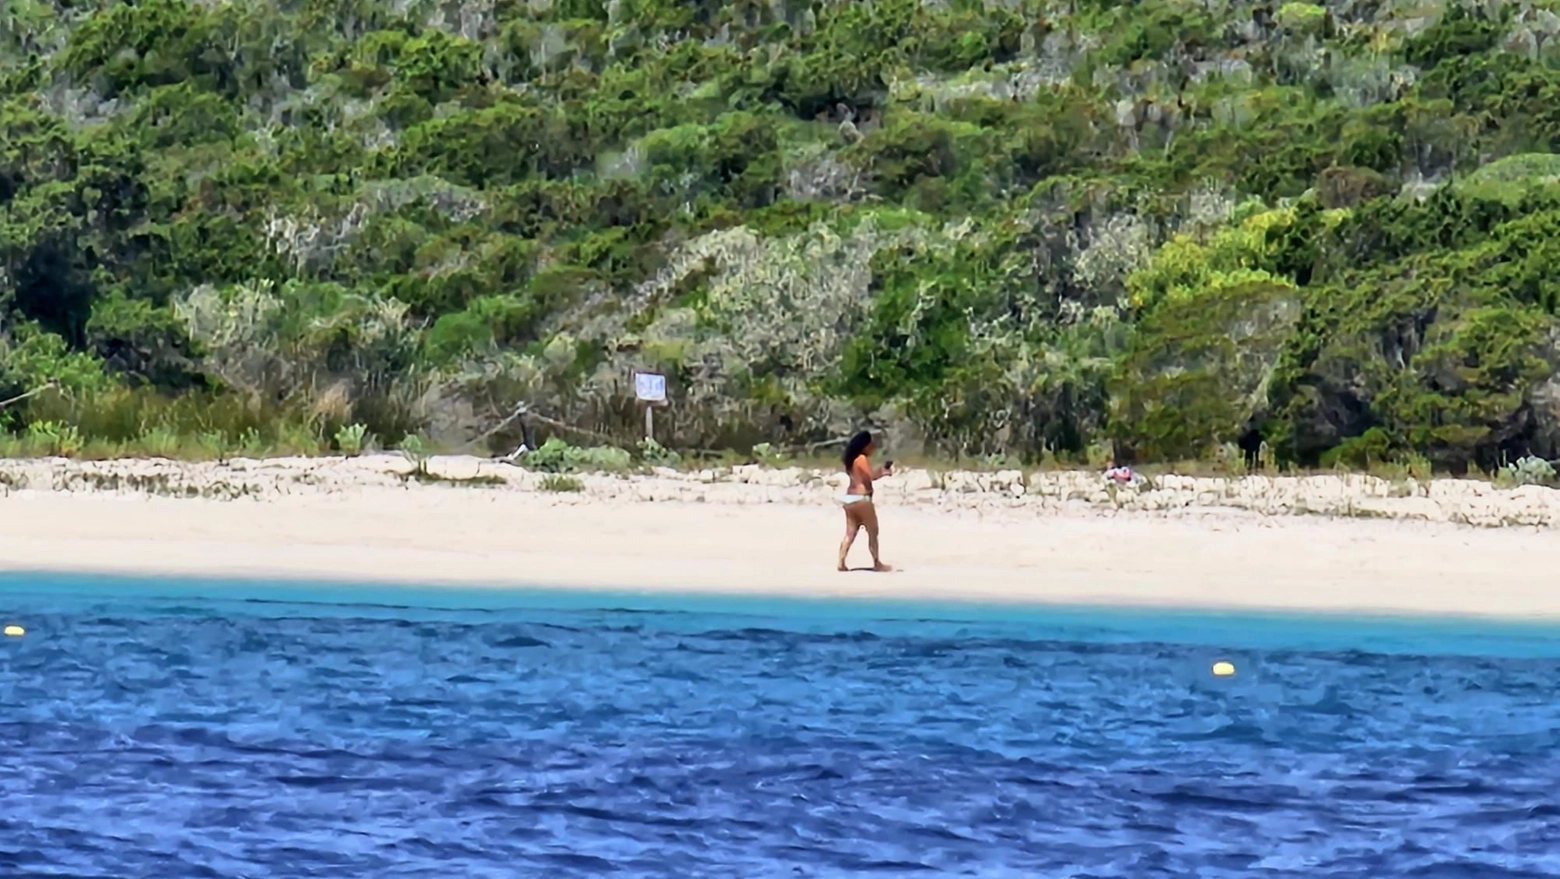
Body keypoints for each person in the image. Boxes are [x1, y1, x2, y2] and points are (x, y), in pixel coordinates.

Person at [838, 430, 894, 572]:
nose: (873, 447)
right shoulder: (861, 459)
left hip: (849, 498)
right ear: (865, 445)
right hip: (862, 498)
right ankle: (877, 563)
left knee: (850, 532)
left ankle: (841, 562)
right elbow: (870, 476)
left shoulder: (851, 461)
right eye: (871, 444)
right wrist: (883, 472)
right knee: (873, 531)